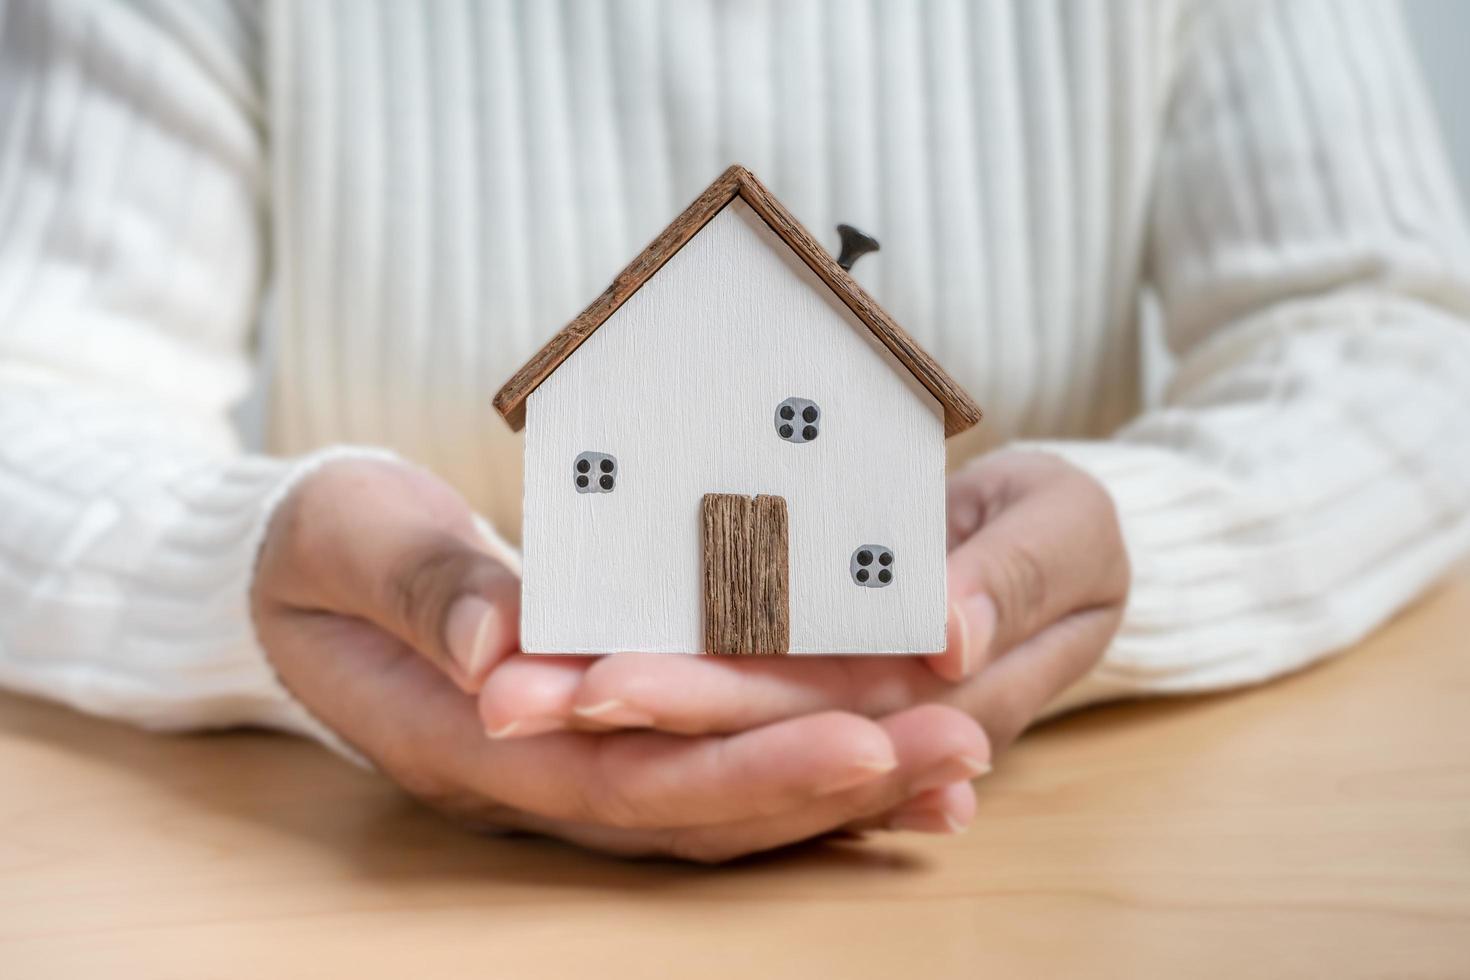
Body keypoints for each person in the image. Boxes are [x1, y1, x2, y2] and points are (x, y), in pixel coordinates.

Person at [2, 0, 1468, 862]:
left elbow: (1397, 331)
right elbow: (36, 384)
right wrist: (239, 562)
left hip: (1050, 854)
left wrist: (1135, 551)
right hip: (377, 864)